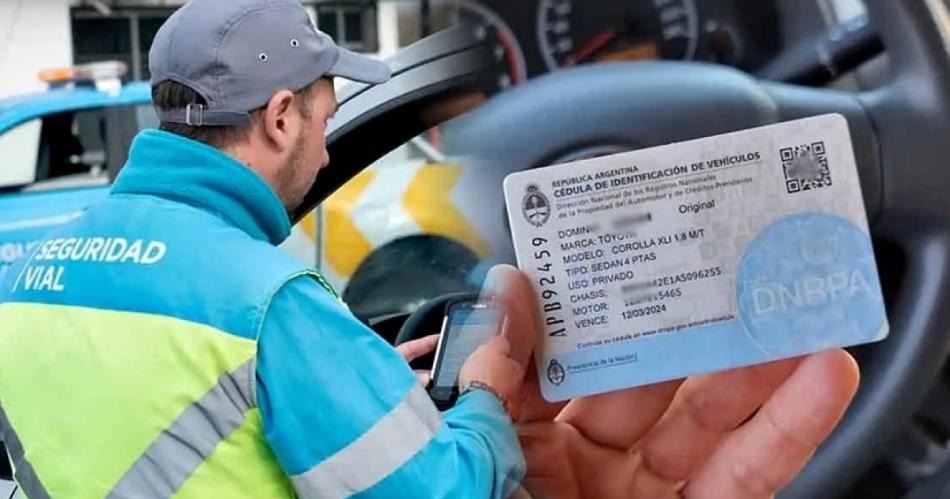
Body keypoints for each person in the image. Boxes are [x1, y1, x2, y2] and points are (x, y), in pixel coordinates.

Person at [0, 1, 859, 498]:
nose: (329, 150)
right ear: (280, 117)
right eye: (329, 118)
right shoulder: (268, 304)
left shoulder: (33, 276)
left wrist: (349, 367)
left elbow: (171, 403)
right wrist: (484, 393)